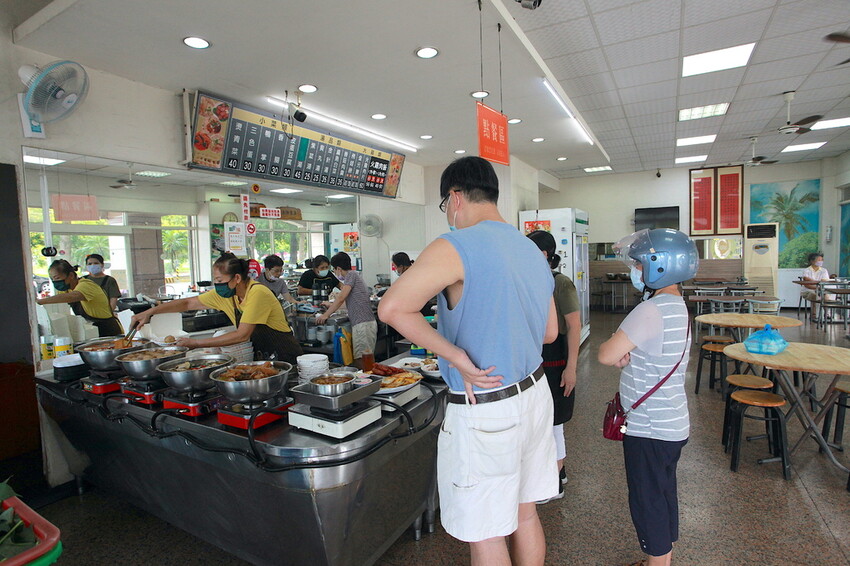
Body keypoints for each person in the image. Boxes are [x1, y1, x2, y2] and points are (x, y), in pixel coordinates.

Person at [379, 156, 559, 566]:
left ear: (455, 197)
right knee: (525, 514)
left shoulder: (455, 246)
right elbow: (549, 333)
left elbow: (392, 309)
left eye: (445, 205)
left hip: (486, 405)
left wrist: (456, 354)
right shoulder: (531, 249)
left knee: (486, 533)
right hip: (533, 396)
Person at [598, 228, 698, 566]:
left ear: (659, 266)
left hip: (649, 428)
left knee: (648, 500)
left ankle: (658, 562)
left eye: (639, 264)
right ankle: (662, 557)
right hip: (670, 423)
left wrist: (617, 344)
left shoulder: (651, 310)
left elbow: (605, 354)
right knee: (663, 493)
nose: (635, 271)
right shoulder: (676, 306)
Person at [131, 254, 303, 363]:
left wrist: (196, 343)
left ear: (236, 278)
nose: (217, 285)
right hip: (263, 359)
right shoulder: (227, 295)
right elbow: (187, 303)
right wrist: (149, 313)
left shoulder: (257, 293)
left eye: (220, 280)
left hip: (285, 358)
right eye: (215, 280)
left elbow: (242, 335)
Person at [527, 230, 580, 502]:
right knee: (543, 422)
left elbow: (574, 327)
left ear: (544, 254)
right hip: (537, 360)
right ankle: (559, 471)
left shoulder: (561, 284)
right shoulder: (531, 281)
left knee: (553, 422)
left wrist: (571, 368)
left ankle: (554, 483)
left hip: (556, 360)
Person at [317, 252, 377, 368]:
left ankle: (368, 383)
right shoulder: (355, 276)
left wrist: (326, 315)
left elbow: (340, 298)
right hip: (365, 323)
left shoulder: (351, 275)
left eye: (334, 270)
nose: (334, 272)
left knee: (362, 360)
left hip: (362, 324)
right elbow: (349, 302)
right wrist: (330, 304)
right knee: (365, 358)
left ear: (338, 268)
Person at [36, 259, 123, 337]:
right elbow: (61, 298)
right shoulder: (66, 289)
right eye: (52, 279)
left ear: (71, 275)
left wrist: (40, 301)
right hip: (90, 330)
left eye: (57, 278)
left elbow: (72, 296)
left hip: (108, 330)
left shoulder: (86, 285)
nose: (55, 282)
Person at [800, 252, 835, 321]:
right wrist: (818, 287)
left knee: (825, 295)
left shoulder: (824, 271)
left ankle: (826, 313)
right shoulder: (806, 270)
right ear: (812, 261)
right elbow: (807, 284)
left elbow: (825, 281)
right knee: (816, 295)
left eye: (821, 260)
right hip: (808, 291)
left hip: (821, 289)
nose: (821, 261)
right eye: (819, 260)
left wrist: (818, 287)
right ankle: (815, 314)